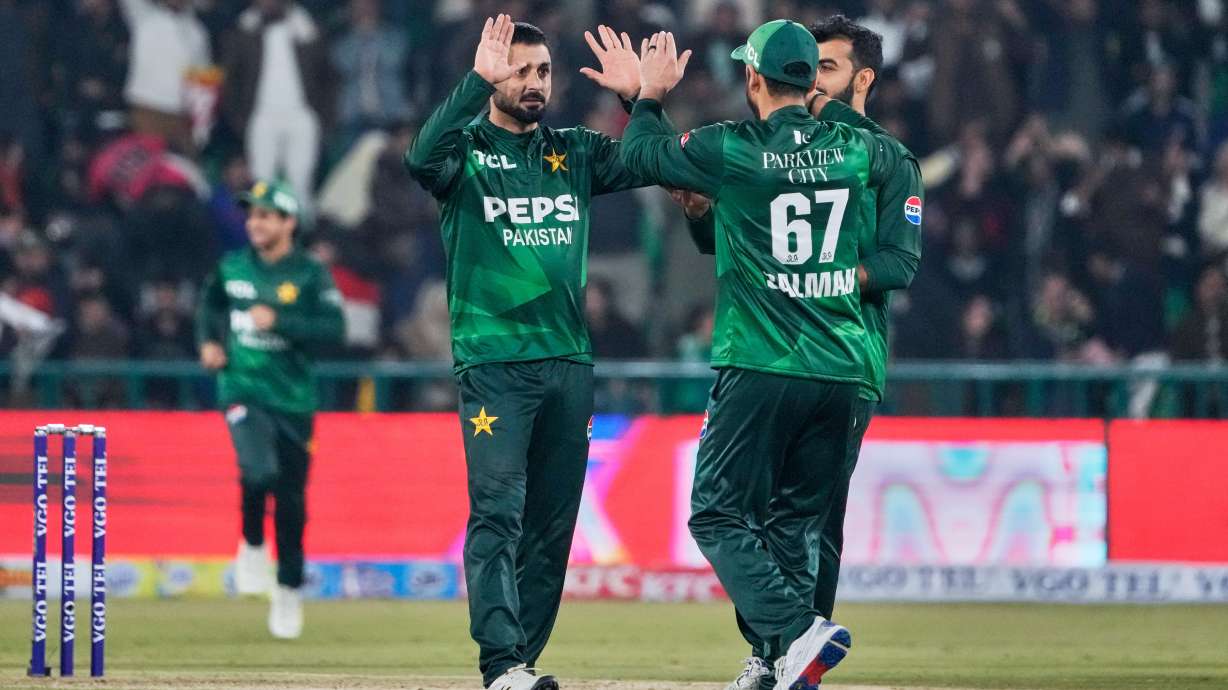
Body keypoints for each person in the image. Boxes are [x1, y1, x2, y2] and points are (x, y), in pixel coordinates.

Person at [601, 19, 918, 690]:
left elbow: (642, 157)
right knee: (798, 525)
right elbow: (740, 229)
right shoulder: (865, 154)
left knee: (717, 510)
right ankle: (781, 657)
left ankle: (795, 631)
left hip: (761, 358)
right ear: (812, 81)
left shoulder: (735, 147)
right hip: (839, 362)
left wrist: (648, 97)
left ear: (751, 79)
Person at [403, 16, 652, 690]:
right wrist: (470, 87)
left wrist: (642, 103)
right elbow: (420, 159)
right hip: (494, 363)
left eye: (543, 71)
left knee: (550, 531)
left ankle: (522, 667)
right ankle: (501, 664)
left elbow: (656, 160)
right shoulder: (465, 153)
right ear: (491, 75)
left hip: (569, 364)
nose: (534, 82)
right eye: (519, 70)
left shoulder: (573, 151)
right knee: (497, 515)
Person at [194, 179, 345, 639]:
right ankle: (253, 543)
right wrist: (209, 342)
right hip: (242, 389)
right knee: (258, 472)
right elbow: (209, 303)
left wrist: (281, 321)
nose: (254, 222)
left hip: (294, 399)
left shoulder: (309, 273)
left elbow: (334, 329)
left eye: (265, 215)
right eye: (251, 214)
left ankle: (287, 589)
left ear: (288, 223)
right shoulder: (233, 266)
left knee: (293, 500)